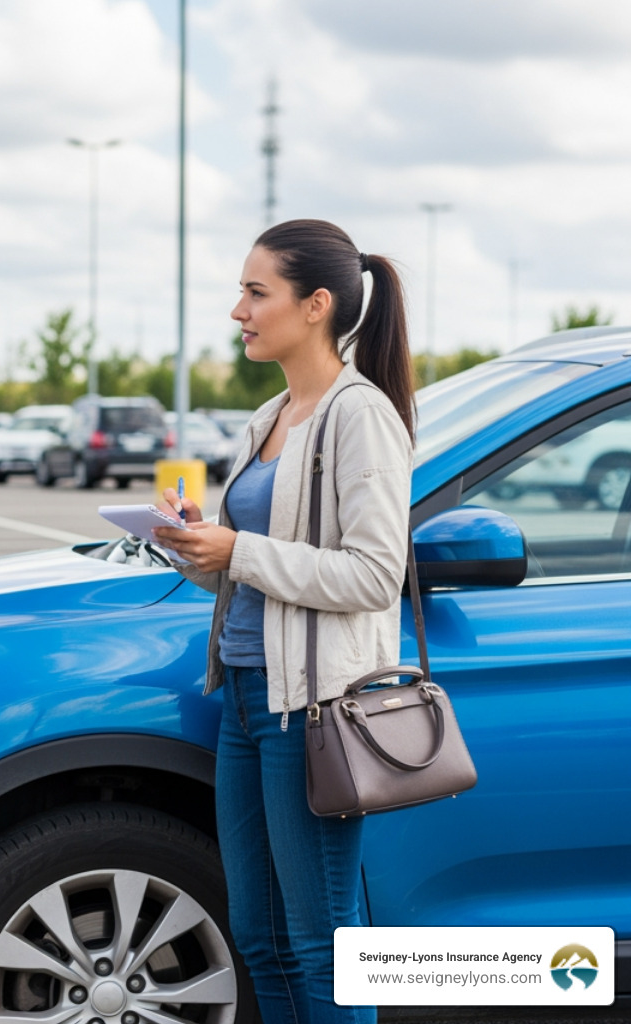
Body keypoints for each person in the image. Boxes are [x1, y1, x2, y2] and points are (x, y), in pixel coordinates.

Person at [154, 219, 415, 1024]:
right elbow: (256, 572)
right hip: (241, 695)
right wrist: (199, 550)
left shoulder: (357, 415)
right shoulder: (266, 417)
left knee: (323, 942)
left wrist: (242, 549)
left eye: (255, 292)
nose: (238, 310)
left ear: (317, 305)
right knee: (258, 938)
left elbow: (375, 575)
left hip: (311, 708)